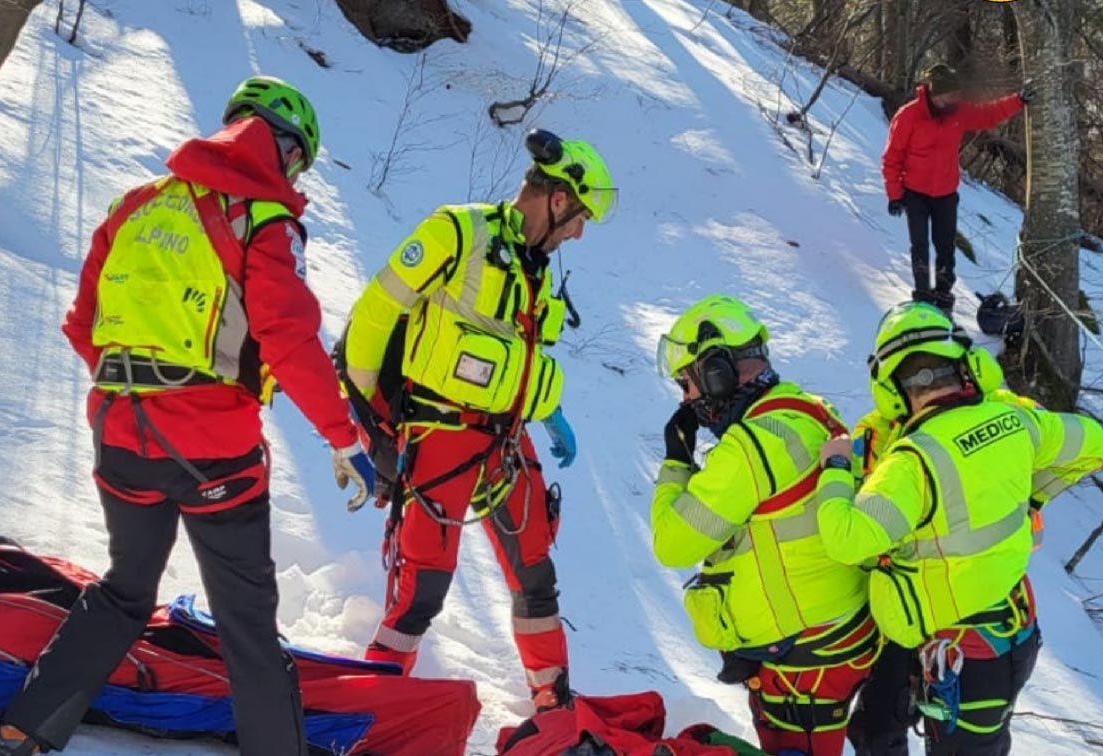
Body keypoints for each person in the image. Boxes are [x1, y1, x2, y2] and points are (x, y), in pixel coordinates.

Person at [0, 76, 372, 756]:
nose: (295, 174)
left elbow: (85, 324)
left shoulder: (138, 205)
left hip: (120, 435)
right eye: (297, 160)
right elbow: (289, 338)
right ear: (283, 147)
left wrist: (142, 389)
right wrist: (344, 437)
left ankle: (18, 734)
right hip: (212, 449)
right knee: (247, 623)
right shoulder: (262, 219)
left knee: (123, 592)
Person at [340, 128, 616, 710]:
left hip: (507, 444)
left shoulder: (537, 267)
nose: (581, 233)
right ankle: (370, 704)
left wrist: (552, 410)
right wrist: (367, 426)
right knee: (423, 589)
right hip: (440, 436)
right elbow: (372, 316)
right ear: (559, 199)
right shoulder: (457, 233)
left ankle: (552, 704)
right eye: (580, 216)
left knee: (536, 578)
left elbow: (516, 360)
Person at [817, 301, 1103, 755]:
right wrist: (1030, 493)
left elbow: (846, 538)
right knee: (890, 730)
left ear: (890, 387)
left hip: (965, 653)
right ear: (967, 363)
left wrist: (834, 468)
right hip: (999, 635)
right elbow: (1093, 443)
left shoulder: (910, 463)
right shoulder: (1018, 420)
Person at [651, 295, 877, 756]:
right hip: (838, 632)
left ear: (716, 372)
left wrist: (676, 461)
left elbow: (671, 543)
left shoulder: (752, 446)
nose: (687, 399)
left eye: (688, 384)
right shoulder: (805, 409)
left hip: (803, 662)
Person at [882, 64, 1030, 313]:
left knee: (945, 246)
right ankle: (922, 294)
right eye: (950, 95)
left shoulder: (959, 112)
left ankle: (943, 293)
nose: (955, 99)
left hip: (945, 193)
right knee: (919, 244)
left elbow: (988, 114)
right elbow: (892, 157)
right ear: (934, 93)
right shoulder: (909, 116)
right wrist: (895, 195)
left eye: (956, 94)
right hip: (915, 191)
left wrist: (1018, 100)